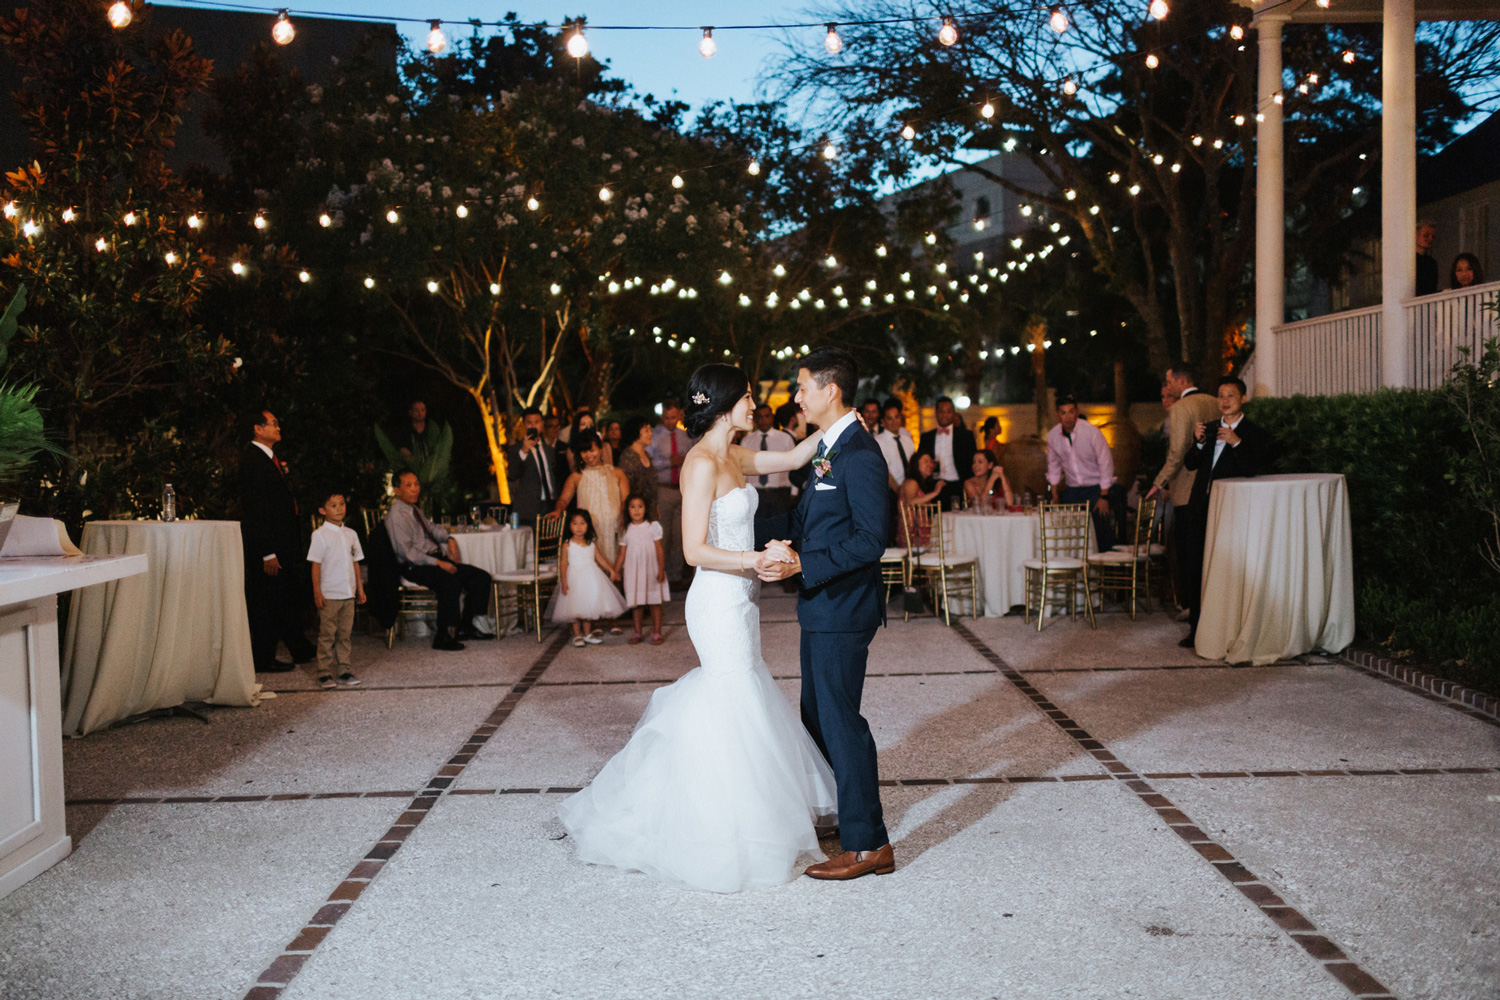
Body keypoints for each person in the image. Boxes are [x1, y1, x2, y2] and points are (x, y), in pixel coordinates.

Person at [560, 362, 833, 892]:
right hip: (715, 601)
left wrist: (836, 418)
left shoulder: (734, 454)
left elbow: (799, 455)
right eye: (748, 398)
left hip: (742, 600)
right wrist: (755, 559)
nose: (754, 406)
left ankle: (745, 811)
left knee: (743, 693)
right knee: (733, 697)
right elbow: (694, 551)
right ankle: (725, 826)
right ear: (726, 403)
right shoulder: (702, 464)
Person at [752, 348, 893, 881]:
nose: (797, 396)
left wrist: (800, 566)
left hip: (843, 606)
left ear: (831, 390)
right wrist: (741, 525)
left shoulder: (860, 454)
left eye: (803, 387)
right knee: (817, 717)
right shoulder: (830, 448)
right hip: (821, 605)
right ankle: (850, 813)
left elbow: (869, 541)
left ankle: (868, 843)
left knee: (840, 722)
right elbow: (808, 516)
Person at [1180, 376, 1270, 649]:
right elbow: (1190, 464)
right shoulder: (1207, 429)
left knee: (1225, 569)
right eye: (1221, 395)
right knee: (1195, 567)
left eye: (1231, 395)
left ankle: (1226, 630)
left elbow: (1253, 468)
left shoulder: (1253, 433)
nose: (1225, 401)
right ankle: (1196, 630)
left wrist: (1236, 442)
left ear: (1242, 399)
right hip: (1200, 507)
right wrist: (1196, 443)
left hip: (1232, 514)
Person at [240, 409, 316, 673]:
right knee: (267, 603)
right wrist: (266, 553)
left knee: (284, 597)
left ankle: (299, 647)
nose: (278, 427)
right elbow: (256, 511)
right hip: (269, 547)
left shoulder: (269, 458)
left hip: (283, 542)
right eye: (273, 424)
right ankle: (263, 658)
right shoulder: (253, 461)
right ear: (257, 429)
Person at [384, 471, 495, 650]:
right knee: (449, 580)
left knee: (480, 577)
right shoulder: (396, 516)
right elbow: (407, 553)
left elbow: (433, 528)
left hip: (433, 559)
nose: (415, 489)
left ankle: (465, 627)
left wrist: (449, 539)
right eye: (408, 485)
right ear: (396, 490)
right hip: (415, 566)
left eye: (416, 484)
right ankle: (442, 635)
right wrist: (438, 563)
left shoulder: (414, 510)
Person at [1146, 365, 1219, 618]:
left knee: (1188, 551)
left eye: (1169, 382)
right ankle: (1210, 605)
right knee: (1208, 550)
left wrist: (1159, 482)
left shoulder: (1180, 408)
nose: (1168, 387)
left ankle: (1191, 607)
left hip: (1187, 488)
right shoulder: (1214, 402)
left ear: (1181, 380)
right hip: (1213, 486)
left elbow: (1177, 452)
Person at [307, 488, 365, 689]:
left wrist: (360, 588)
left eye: (341, 504)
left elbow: (355, 562)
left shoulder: (351, 534)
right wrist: (317, 591)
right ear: (322, 510)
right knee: (327, 635)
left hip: (348, 594)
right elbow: (316, 564)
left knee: (345, 634)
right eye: (333, 505)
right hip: (330, 594)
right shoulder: (320, 535)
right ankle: (324, 672)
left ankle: (344, 670)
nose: (339, 509)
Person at [1046, 395, 1118, 551]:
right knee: (1067, 529)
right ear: (1058, 414)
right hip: (1072, 489)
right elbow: (1053, 465)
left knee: (1101, 529)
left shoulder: (1091, 432)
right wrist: (1055, 492)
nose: (1067, 417)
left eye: (1071, 411)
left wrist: (1103, 495)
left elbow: (1105, 462)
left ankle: (1104, 569)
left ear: (1077, 412)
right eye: (1063, 412)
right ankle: (1074, 566)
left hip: (1096, 487)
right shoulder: (1052, 436)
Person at [554, 429, 631, 567]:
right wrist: (558, 510)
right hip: (589, 530)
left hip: (614, 528)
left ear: (600, 449)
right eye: (584, 452)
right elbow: (564, 499)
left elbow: (626, 500)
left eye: (592, 450)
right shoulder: (576, 476)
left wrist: (624, 519)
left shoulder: (617, 473)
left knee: (617, 568)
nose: (588, 455)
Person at [551, 510, 628, 647]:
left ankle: (587, 634)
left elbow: (599, 559)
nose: (579, 526)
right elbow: (563, 563)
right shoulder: (568, 544)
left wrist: (611, 570)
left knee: (588, 607)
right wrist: (563, 580)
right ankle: (577, 635)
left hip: (591, 577)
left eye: (582, 523)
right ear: (569, 526)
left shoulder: (591, 543)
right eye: (575, 523)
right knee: (575, 607)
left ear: (588, 525)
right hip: (574, 578)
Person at [615, 495, 668, 645]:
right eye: (632, 507)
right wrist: (615, 571)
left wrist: (661, 568)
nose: (636, 510)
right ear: (627, 510)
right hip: (633, 571)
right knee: (636, 603)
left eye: (640, 506)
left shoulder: (653, 526)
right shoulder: (626, 530)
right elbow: (622, 553)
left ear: (645, 509)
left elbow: (659, 549)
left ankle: (657, 632)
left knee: (654, 602)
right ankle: (637, 632)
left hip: (651, 569)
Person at [651, 398, 693, 586]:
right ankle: (663, 575)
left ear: (679, 415)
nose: (670, 421)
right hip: (664, 489)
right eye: (666, 418)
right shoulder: (654, 436)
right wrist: (669, 462)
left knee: (679, 536)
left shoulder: (685, 436)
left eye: (673, 417)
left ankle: (675, 577)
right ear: (662, 417)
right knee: (664, 535)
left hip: (682, 490)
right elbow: (650, 464)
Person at [505, 407, 566, 530]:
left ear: (542, 424)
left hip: (552, 504)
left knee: (551, 543)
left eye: (537, 422)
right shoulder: (515, 449)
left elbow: (555, 477)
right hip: (530, 508)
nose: (533, 425)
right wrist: (524, 451)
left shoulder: (549, 450)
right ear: (523, 425)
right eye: (529, 422)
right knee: (532, 546)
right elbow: (512, 475)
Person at [917, 396, 975, 509]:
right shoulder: (926, 437)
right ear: (936, 413)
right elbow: (920, 463)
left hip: (958, 486)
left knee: (957, 522)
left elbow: (971, 462)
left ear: (953, 413)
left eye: (948, 412)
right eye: (941, 411)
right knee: (935, 521)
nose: (944, 415)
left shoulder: (966, 436)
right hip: (933, 487)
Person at [741, 402, 798, 519]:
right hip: (755, 492)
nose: (763, 420)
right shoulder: (747, 441)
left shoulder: (785, 439)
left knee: (779, 530)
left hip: (779, 492)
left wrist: (794, 491)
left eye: (767, 416)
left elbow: (793, 467)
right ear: (755, 419)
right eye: (759, 417)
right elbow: (742, 471)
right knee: (758, 530)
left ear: (772, 417)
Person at [617, 416, 659, 520]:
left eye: (650, 430)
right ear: (636, 432)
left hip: (650, 512)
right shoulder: (628, 458)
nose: (650, 434)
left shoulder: (647, 455)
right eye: (646, 431)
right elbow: (624, 492)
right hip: (635, 515)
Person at [1416, 221, 1439, 296]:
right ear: (1416, 235)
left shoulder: (1432, 263)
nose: (1430, 239)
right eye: (1426, 235)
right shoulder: (1407, 261)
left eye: (1433, 237)